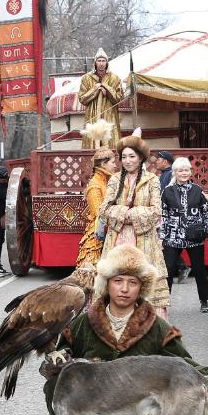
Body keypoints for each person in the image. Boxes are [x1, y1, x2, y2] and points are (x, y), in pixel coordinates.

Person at [40, 244, 208, 415]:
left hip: (134, 412)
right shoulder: (83, 323)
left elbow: (181, 362)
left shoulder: (156, 325)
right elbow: (58, 359)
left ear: (142, 287)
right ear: (107, 283)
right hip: (93, 409)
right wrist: (53, 364)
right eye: (118, 281)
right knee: (56, 386)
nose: (124, 289)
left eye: (133, 282)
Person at [98, 130, 171, 314]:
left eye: (132, 156)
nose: (128, 161)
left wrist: (127, 214)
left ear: (140, 158)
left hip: (144, 242)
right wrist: (128, 213)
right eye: (124, 157)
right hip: (117, 240)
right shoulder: (114, 179)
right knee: (117, 280)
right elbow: (104, 210)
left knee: (143, 281)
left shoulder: (152, 180)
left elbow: (156, 211)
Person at [160, 157, 208, 313]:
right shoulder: (167, 191)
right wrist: (161, 236)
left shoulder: (197, 190)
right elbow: (163, 216)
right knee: (168, 270)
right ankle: (164, 302)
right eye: (180, 170)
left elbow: (206, 214)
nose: (184, 173)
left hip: (194, 237)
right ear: (175, 172)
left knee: (199, 269)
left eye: (186, 170)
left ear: (190, 172)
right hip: (172, 237)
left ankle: (204, 301)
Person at [75, 148, 117, 278]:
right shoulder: (95, 185)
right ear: (103, 164)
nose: (115, 165)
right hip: (98, 233)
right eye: (113, 162)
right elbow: (99, 213)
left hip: (110, 227)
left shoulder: (107, 181)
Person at [77, 48, 124, 148]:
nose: (101, 63)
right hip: (92, 115)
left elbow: (119, 98)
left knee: (110, 142)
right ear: (95, 63)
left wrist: (107, 91)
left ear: (107, 63)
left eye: (103, 61)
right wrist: (95, 89)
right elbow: (81, 98)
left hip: (109, 115)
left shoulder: (115, 78)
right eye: (99, 61)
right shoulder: (86, 78)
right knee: (93, 142)